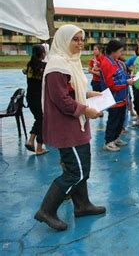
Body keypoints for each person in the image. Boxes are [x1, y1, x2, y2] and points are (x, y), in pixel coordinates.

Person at [34, 24, 104, 231]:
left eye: (82, 39)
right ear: (64, 40)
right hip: (67, 127)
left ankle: (82, 205)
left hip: (77, 126)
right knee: (75, 171)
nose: (80, 43)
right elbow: (61, 100)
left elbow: (72, 91)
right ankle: (46, 210)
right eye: (75, 39)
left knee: (82, 167)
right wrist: (85, 110)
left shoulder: (70, 61)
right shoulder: (57, 64)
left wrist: (90, 95)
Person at [100, 40, 133, 151]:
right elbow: (111, 84)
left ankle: (116, 138)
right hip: (114, 98)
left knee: (120, 120)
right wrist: (126, 83)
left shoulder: (116, 62)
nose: (121, 53)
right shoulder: (106, 63)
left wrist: (128, 78)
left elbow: (121, 76)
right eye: (120, 51)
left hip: (121, 97)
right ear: (113, 51)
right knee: (113, 121)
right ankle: (109, 141)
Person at [24, 44, 48, 155]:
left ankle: (31, 140)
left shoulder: (29, 65)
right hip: (39, 98)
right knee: (42, 120)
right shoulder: (44, 66)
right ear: (42, 54)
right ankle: (39, 147)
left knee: (39, 119)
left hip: (30, 97)